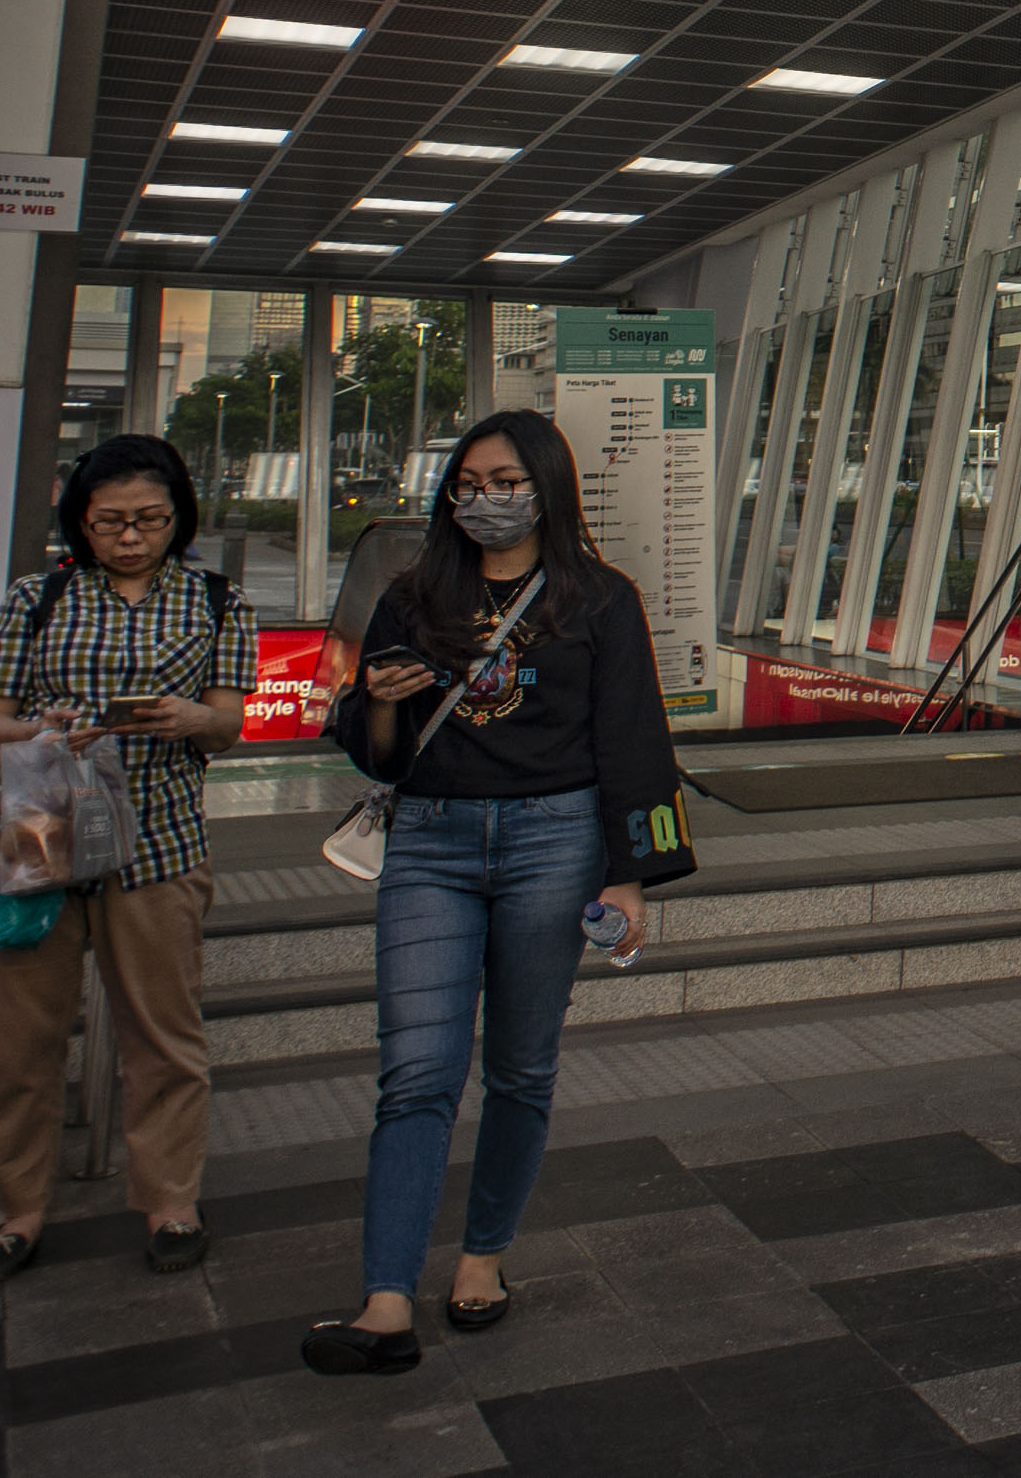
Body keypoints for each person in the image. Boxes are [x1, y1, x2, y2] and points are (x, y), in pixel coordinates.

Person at [303, 411, 694, 1375]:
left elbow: (634, 743)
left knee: (520, 1067)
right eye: (468, 482)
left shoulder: (600, 599)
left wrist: (629, 875)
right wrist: (382, 703)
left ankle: (483, 1257)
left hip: (554, 844)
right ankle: (387, 1297)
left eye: (507, 479)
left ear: (548, 486)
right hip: (431, 843)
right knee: (417, 1073)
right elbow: (372, 747)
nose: (485, 498)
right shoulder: (412, 595)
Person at [0, 435, 254, 1286]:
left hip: (155, 843)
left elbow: (227, 723)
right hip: (31, 835)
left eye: (150, 519)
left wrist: (184, 717)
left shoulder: (219, 599)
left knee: (164, 1036)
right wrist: (43, 730)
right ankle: (17, 1209)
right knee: (21, 1040)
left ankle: (169, 1201)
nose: (130, 537)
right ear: (80, 521)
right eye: (110, 521)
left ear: (178, 518)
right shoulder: (38, 596)